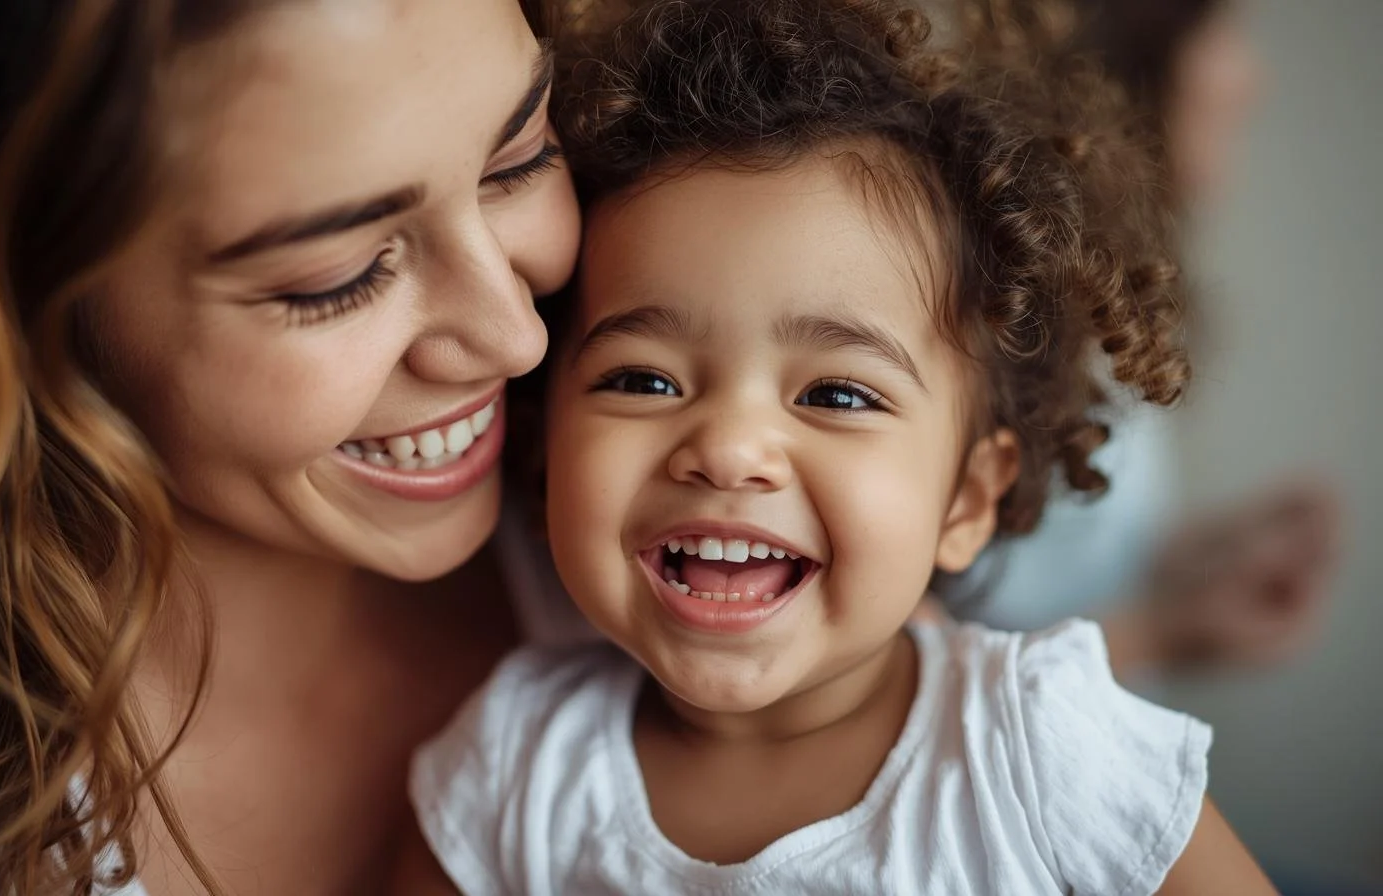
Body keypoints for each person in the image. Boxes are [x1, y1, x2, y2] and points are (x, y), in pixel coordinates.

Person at [395, 0, 1273, 892]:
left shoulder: (1038, 750)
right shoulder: (515, 770)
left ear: (968, 500)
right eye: (644, 381)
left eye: (836, 395)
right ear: (547, 447)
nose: (729, 449)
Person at [0, 1, 580, 893]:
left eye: (519, 158)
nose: (516, 337)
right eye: (336, 278)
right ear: (11, 293)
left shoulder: (667, 520)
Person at [937, 0, 1338, 678]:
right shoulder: (1005, 303)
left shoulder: (1105, 296)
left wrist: (1212, 559)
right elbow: (906, 656)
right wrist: (1159, 633)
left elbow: (1057, 563)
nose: (1251, 77)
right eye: (1221, 31)